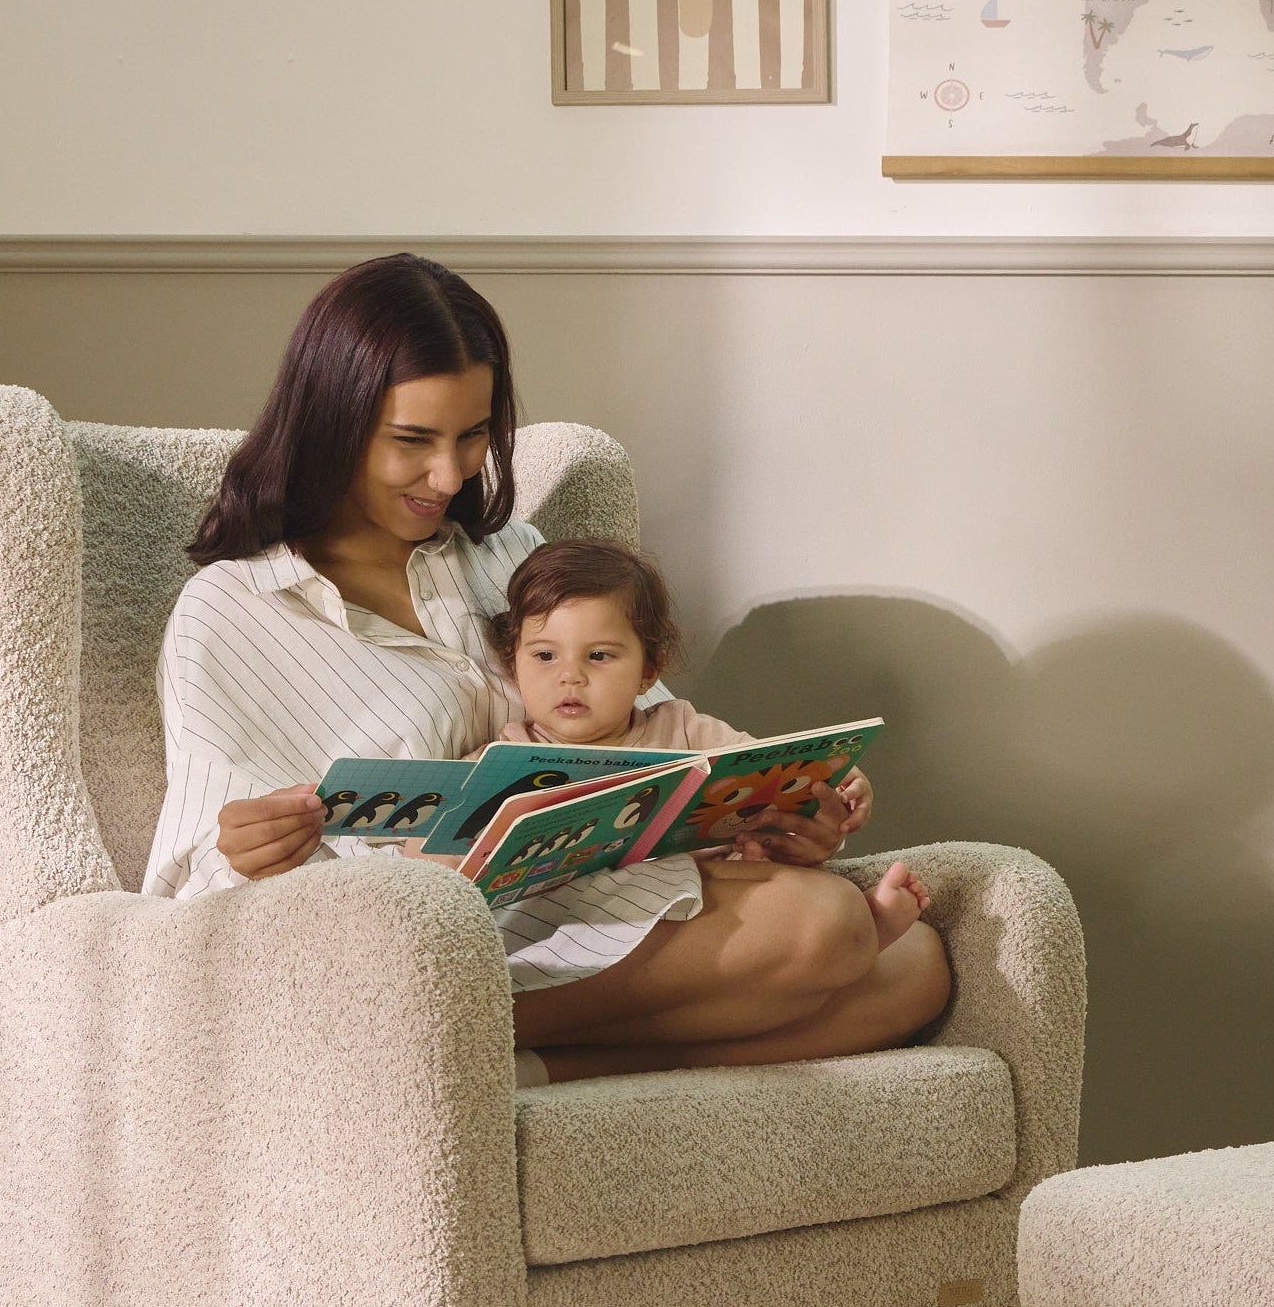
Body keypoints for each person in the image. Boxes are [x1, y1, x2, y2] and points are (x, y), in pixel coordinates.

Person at [141, 253, 951, 1084]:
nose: (450, 476)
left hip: (602, 897)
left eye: (471, 436)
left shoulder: (510, 556)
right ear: (331, 423)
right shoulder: (230, 609)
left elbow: (652, 743)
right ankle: (443, 1034)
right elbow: (186, 887)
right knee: (828, 931)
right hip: (413, 950)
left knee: (916, 963)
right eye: (412, 441)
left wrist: (773, 818)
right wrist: (244, 852)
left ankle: (530, 1068)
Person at [474, 535, 932, 955]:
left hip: (720, 908)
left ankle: (859, 933)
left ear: (648, 671)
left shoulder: (686, 728)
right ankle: (857, 936)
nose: (569, 675)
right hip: (606, 925)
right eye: (544, 655)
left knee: (766, 871)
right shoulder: (505, 757)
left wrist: (840, 782)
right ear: (514, 663)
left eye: (599, 655)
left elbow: (782, 772)